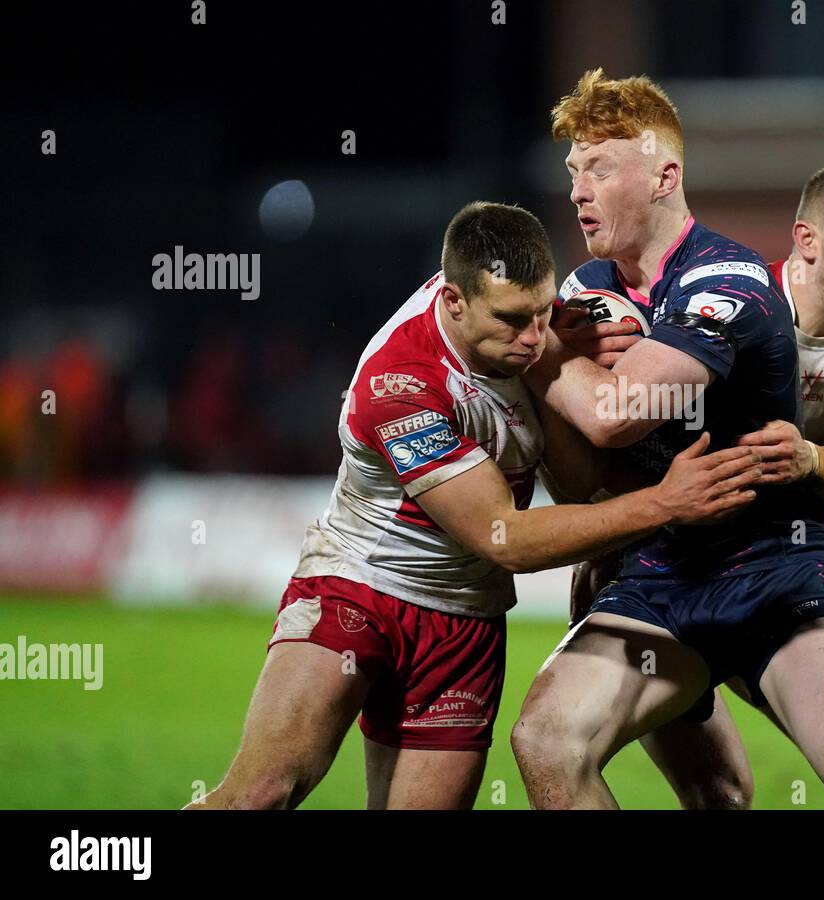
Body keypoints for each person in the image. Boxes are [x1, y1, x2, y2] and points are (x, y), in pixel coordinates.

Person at [188, 201, 761, 810]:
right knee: (260, 795)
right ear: (453, 301)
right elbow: (503, 538)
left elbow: (576, 483)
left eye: (543, 313)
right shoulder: (401, 384)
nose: (533, 338)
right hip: (359, 586)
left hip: (465, 618)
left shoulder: (538, 334)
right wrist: (665, 503)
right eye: (513, 320)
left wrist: (571, 367)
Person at [510, 69, 824, 810]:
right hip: (658, 578)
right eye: (573, 172)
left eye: (600, 169)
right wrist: (606, 535)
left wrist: (540, 350)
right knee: (551, 742)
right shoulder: (583, 294)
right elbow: (579, 482)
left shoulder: (730, 281)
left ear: (665, 175)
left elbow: (617, 415)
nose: (578, 190)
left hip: (774, 572)